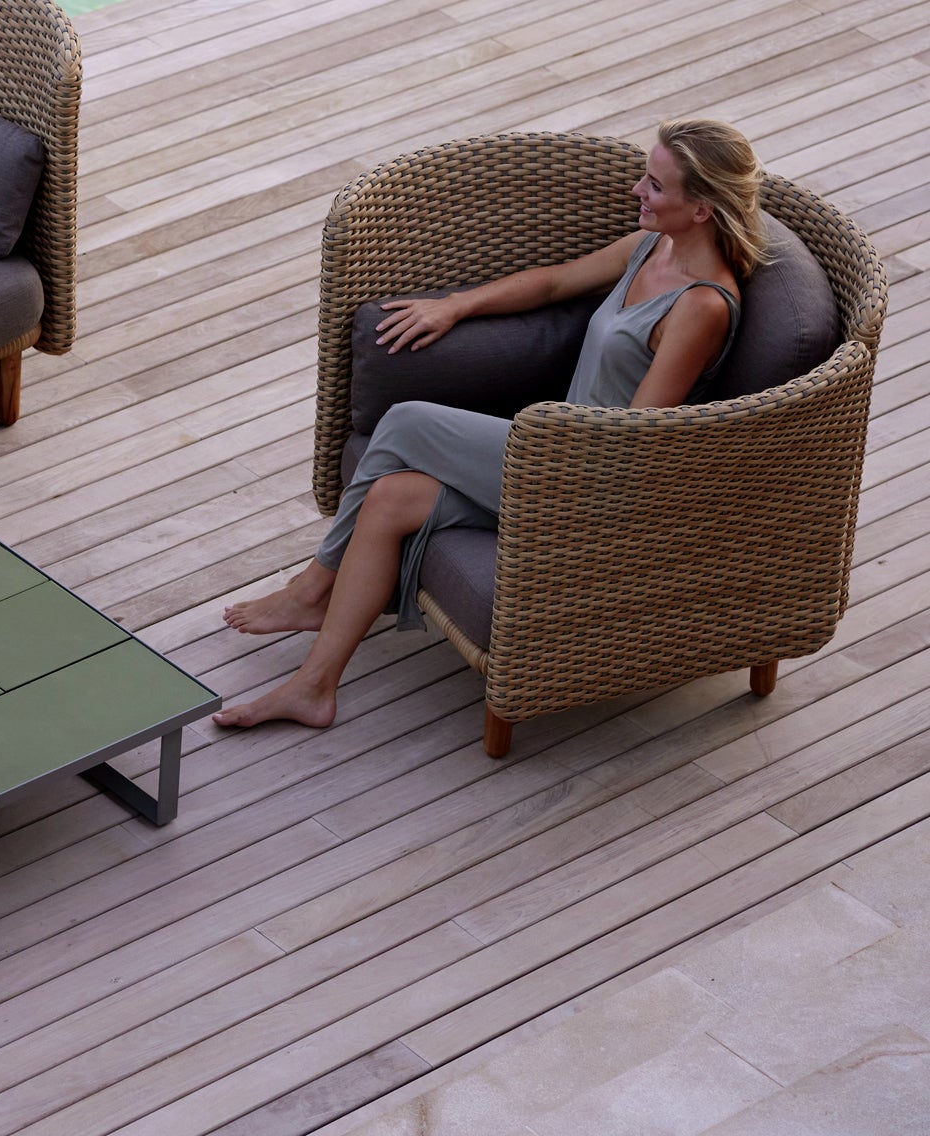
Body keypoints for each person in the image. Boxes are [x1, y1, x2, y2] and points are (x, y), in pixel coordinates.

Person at [214, 118, 766, 730]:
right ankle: (313, 688)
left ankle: (313, 587)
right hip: (553, 457)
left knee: (406, 423)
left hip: (591, 483)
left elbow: (635, 437)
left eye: (655, 185)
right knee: (391, 497)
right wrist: (456, 305)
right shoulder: (650, 246)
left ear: (701, 209)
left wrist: (543, 437)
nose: (637, 190)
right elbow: (554, 282)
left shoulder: (701, 305)